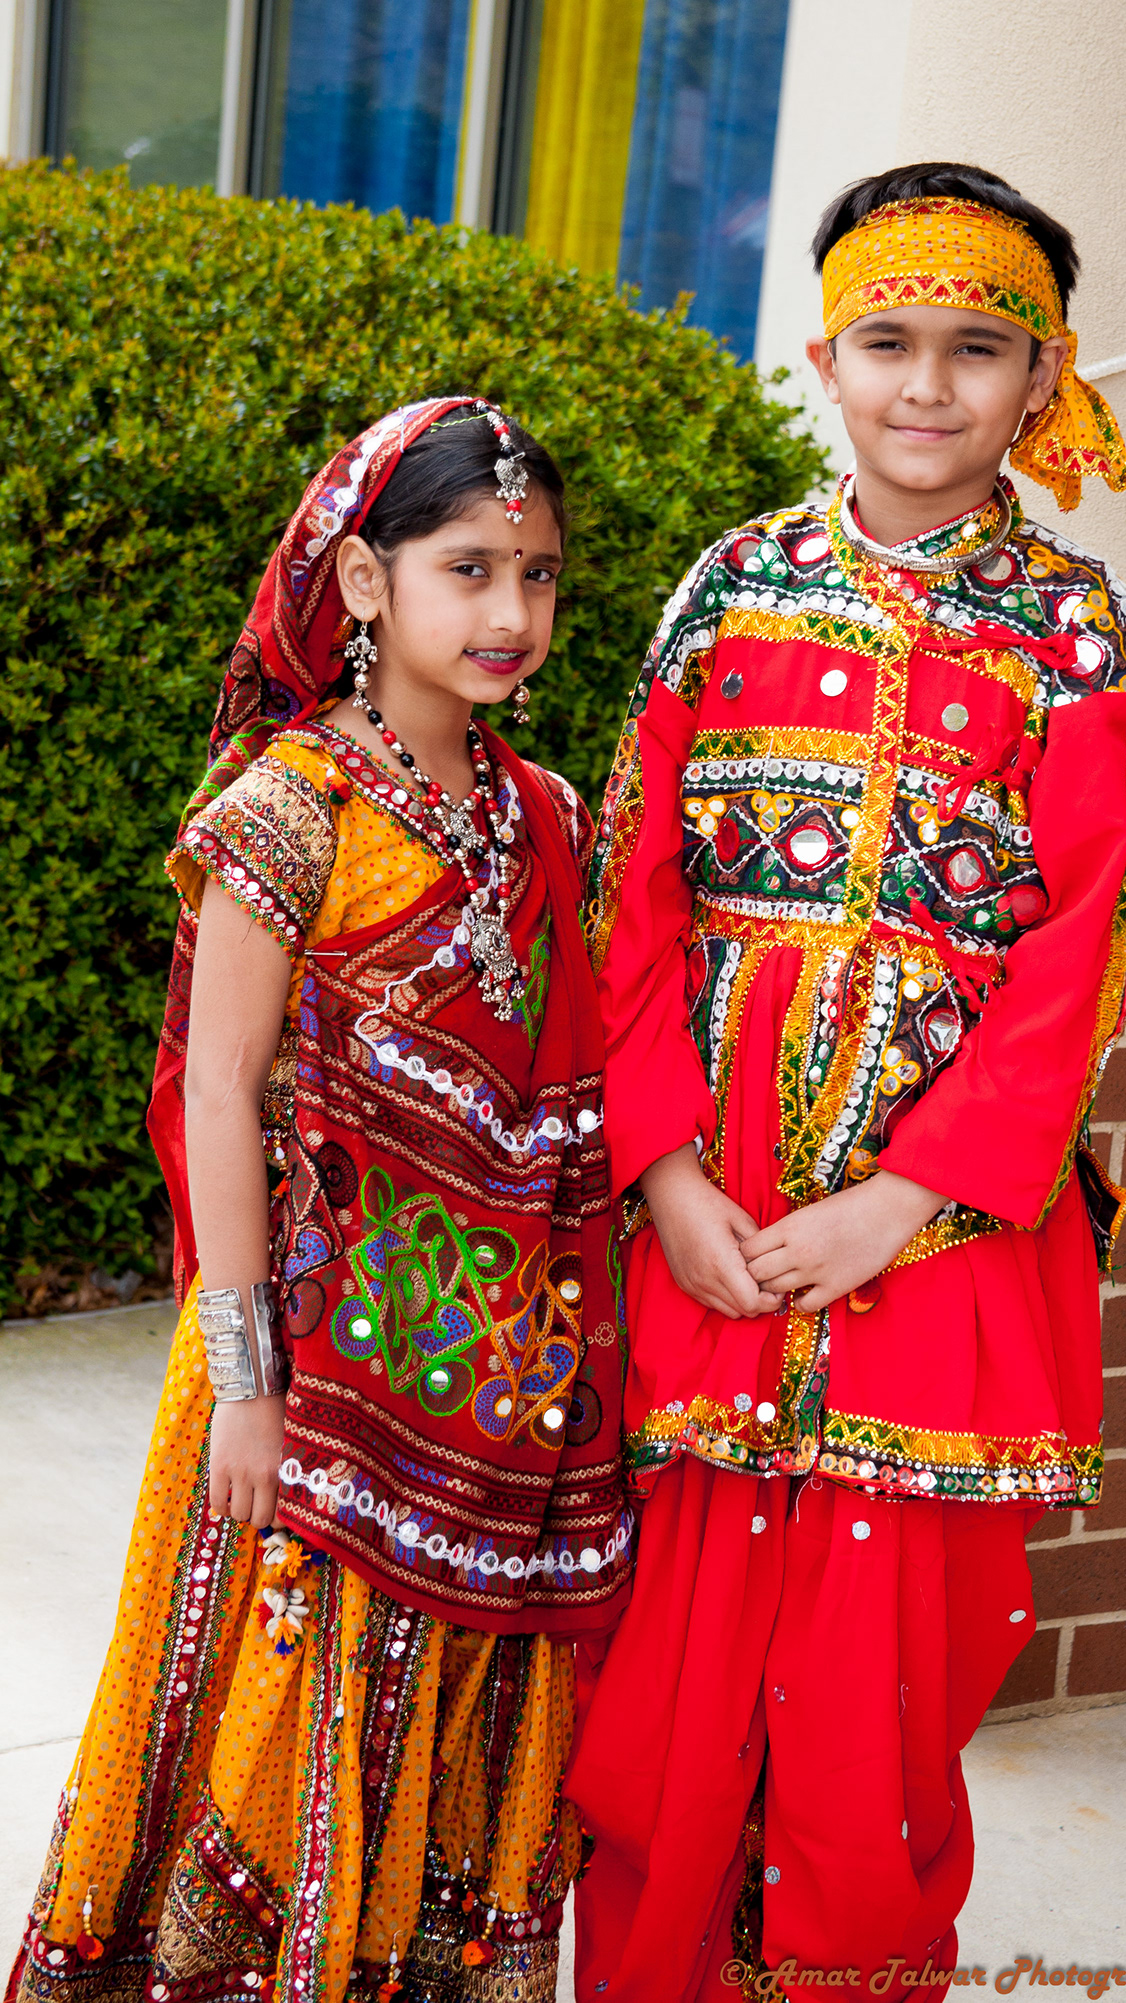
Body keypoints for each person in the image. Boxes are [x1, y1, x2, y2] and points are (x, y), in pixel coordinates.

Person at [567, 163, 1126, 1998]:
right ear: (824, 355)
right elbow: (631, 895)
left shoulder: (1086, 638)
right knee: (661, 1712)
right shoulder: (726, 590)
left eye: (978, 350)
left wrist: (901, 1201)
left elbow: (1085, 954)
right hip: (717, 1231)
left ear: (1045, 378)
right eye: (890, 343)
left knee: (876, 1722)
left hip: (936, 1259)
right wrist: (668, 1179)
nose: (929, 387)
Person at [10, 396, 630, 2003]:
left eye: (542, 576)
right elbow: (220, 1090)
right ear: (364, 581)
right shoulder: (286, 808)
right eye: (470, 568)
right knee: (276, 1705)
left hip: (505, 1383)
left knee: (459, 1729)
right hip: (305, 1371)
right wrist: (239, 1377)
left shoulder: (552, 815)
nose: (513, 614)